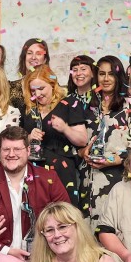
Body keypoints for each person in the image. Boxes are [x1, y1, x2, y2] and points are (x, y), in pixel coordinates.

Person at [0, 126, 69, 256]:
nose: (11, 154)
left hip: (43, 258)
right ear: (0, 151)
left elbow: (67, 220)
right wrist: (6, 251)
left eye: (17, 149)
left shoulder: (49, 179)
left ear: (28, 150)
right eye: (6, 149)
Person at [83, 55, 131, 222]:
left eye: (111, 74)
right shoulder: (88, 105)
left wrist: (113, 159)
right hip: (87, 182)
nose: (105, 79)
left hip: (119, 181)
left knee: (115, 232)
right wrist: (82, 151)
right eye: (101, 74)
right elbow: (77, 141)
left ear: (118, 77)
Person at [21, 65, 89, 206]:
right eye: (33, 90)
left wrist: (65, 128)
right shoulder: (28, 108)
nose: (37, 94)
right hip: (33, 169)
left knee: (63, 213)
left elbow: (82, 140)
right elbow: (17, 142)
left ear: (53, 85)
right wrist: (28, 137)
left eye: (41, 88)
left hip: (61, 170)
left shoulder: (69, 103)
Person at [8, 38, 50, 110]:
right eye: (29, 53)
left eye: (38, 53)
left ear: (45, 59)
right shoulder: (11, 87)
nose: (33, 57)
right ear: (24, 58)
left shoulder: (52, 85)